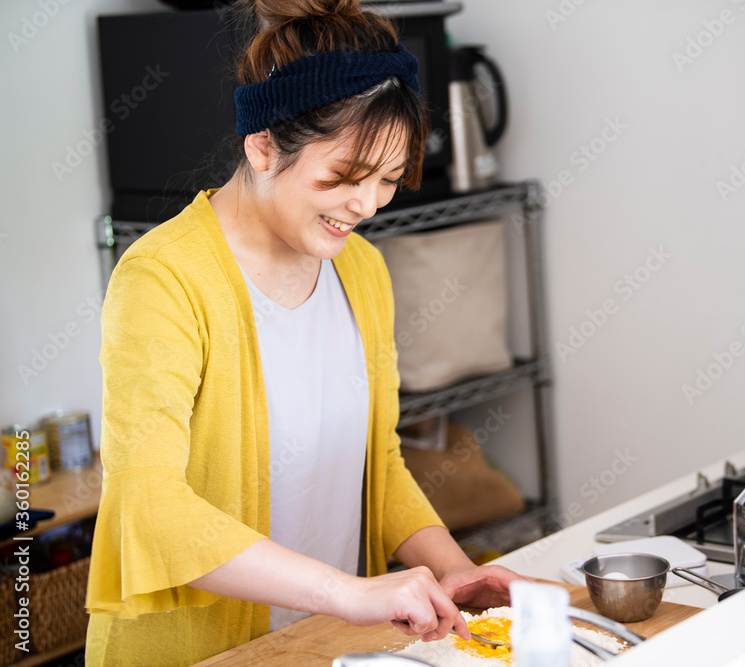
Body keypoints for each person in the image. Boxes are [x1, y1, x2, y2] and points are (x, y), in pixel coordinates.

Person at [84, 0, 524, 663]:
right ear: (261, 145)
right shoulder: (163, 280)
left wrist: (454, 571)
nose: (368, 205)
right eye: (345, 178)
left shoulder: (362, 269)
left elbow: (379, 463)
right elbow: (150, 508)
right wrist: (349, 592)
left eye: (386, 180)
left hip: (320, 645)